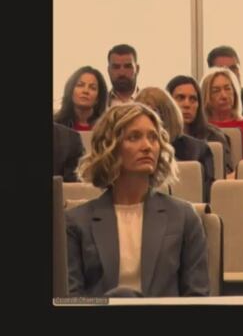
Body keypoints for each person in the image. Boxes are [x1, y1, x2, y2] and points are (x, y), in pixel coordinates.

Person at [66, 103, 209, 297]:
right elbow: (70, 299)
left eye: (153, 137)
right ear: (111, 147)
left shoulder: (184, 217)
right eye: (134, 137)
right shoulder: (76, 222)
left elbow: (197, 297)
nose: (147, 146)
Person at [135, 87, 215, 203]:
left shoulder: (198, 150)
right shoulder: (127, 150)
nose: (148, 121)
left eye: (155, 114)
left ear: (168, 115)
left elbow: (207, 199)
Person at [166, 75, 234, 177]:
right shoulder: (157, 137)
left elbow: (227, 178)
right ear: (168, 102)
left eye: (193, 99)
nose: (187, 104)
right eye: (180, 98)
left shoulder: (214, 137)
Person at [201, 67, 243, 160]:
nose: (224, 96)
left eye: (228, 88)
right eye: (216, 91)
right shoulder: (200, 130)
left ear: (235, 92)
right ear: (206, 96)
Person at [54, 66, 109, 131]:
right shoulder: (56, 124)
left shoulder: (106, 128)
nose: (85, 91)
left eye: (92, 88)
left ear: (98, 98)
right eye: (80, 85)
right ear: (70, 91)